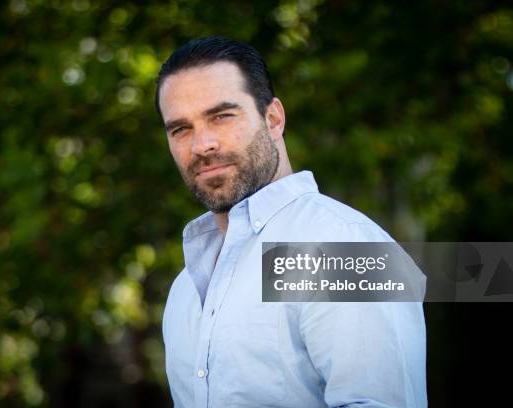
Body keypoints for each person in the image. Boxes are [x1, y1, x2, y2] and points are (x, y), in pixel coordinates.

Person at [156, 36, 427, 408]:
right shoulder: (185, 289)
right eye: (180, 129)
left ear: (273, 119)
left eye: (221, 116)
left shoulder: (343, 247)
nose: (202, 144)